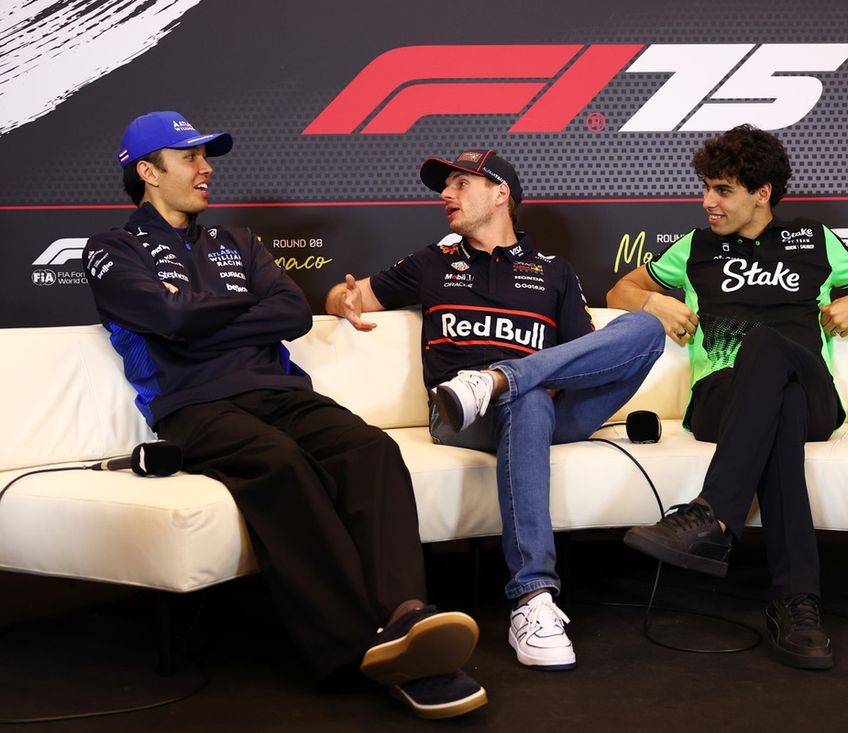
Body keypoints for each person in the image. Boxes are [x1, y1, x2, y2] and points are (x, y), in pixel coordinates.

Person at [83, 111, 486, 719]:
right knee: (278, 461)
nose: (205, 168)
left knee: (370, 449)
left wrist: (195, 316)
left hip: (281, 392)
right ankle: (358, 647)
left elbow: (292, 313)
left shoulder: (238, 242)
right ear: (148, 172)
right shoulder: (111, 248)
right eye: (190, 157)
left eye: (205, 156)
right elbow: (166, 320)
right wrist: (231, 308)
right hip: (192, 405)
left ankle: (407, 613)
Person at [326, 149, 665, 671]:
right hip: (460, 415)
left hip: (553, 410)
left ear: (500, 193)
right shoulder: (431, 262)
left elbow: (587, 358)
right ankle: (533, 599)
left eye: (461, 184)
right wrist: (341, 301)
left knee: (644, 329)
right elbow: (347, 295)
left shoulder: (553, 271)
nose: (446, 195)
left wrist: (518, 377)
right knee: (527, 401)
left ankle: (499, 379)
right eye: (446, 187)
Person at [606, 124, 848, 670]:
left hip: (813, 394)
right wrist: (652, 303)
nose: (708, 202)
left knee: (769, 348)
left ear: (762, 193)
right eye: (706, 188)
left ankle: (712, 515)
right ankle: (797, 603)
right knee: (778, 403)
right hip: (721, 398)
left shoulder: (813, 240)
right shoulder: (695, 247)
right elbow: (619, 289)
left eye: (722, 190)